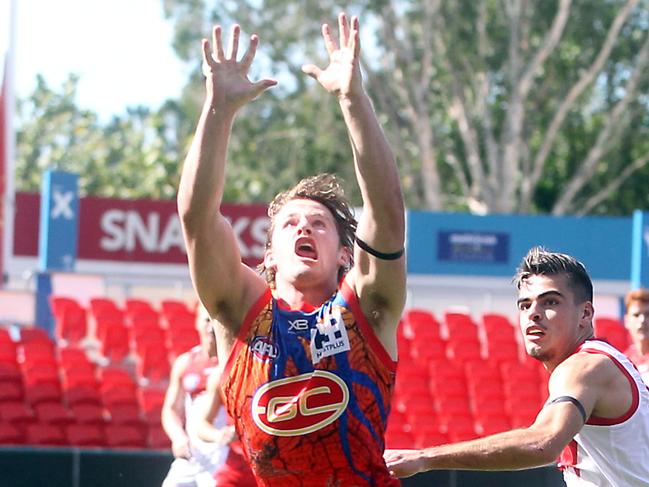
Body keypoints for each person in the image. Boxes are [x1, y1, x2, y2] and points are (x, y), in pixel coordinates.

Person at [177, 11, 406, 487]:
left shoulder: (369, 307)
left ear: (346, 254)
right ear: (270, 254)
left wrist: (353, 99)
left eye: (319, 224)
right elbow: (198, 218)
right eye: (290, 223)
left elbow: (386, 217)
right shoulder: (240, 311)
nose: (304, 227)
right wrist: (218, 107)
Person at [385, 247, 649, 486]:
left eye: (551, 302)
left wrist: (424, 458)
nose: (533, 313)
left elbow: (543, 443)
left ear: (586, 314)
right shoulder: (597, 364)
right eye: (525, 304)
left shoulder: (584, 366)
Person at [160, 306, 237, 487]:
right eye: (206, 320)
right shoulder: (186, 362)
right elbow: (171, 409)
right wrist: (178, 438)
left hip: (224, 452)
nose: (211, 327)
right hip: (192, 452)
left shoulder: (233, 361)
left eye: (215, 322)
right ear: (196, 322)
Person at [623, 288, 649, 383]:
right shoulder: (623, 361)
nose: (642, 320)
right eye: (636, 315)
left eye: (648, 314)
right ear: (626, 321)